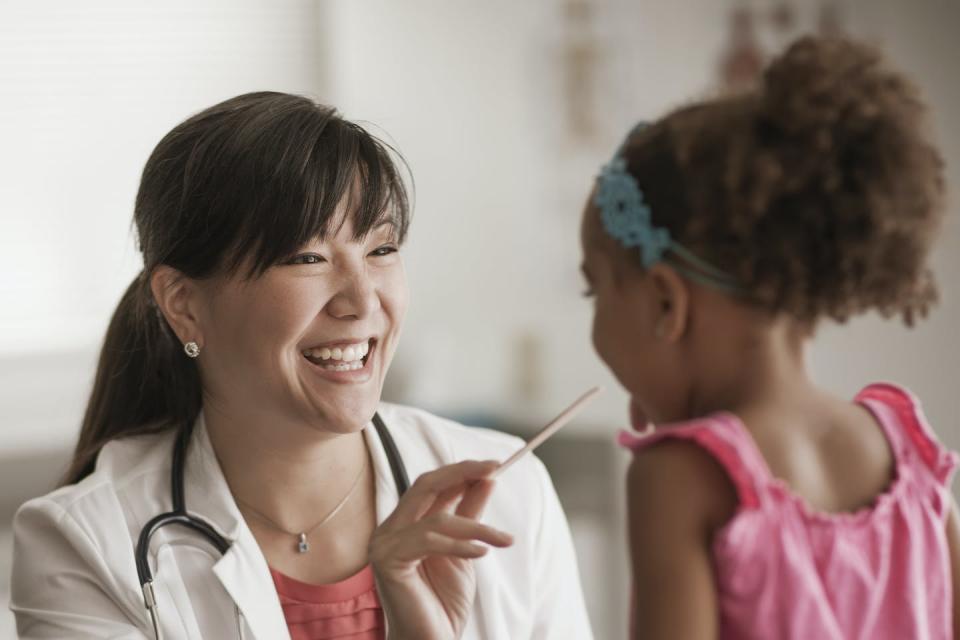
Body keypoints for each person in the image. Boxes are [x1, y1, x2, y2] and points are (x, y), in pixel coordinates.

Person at [10, 92, 592, 640]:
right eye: (307, 257)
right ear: (184, 306)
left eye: (381, 249)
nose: (363, 301)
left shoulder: (510, 494)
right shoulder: (83, 543)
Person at [578, 36, 960, 638]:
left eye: (594, 289)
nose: (594, 322)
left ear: (664, 302)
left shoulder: (678, 478)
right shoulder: (908, 450)